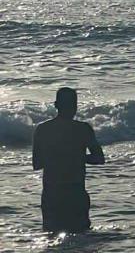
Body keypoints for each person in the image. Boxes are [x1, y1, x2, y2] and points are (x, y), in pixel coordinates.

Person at [32, 87, 105, 233]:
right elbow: (99, 158)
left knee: (52, 237)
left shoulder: (43, 129)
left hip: (52, 193)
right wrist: (77, 157)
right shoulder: (83, 129)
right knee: (81, 239)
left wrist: (56, 157)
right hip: (75, 192)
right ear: (75, 106)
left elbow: (37, 164)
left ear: (56, 105)